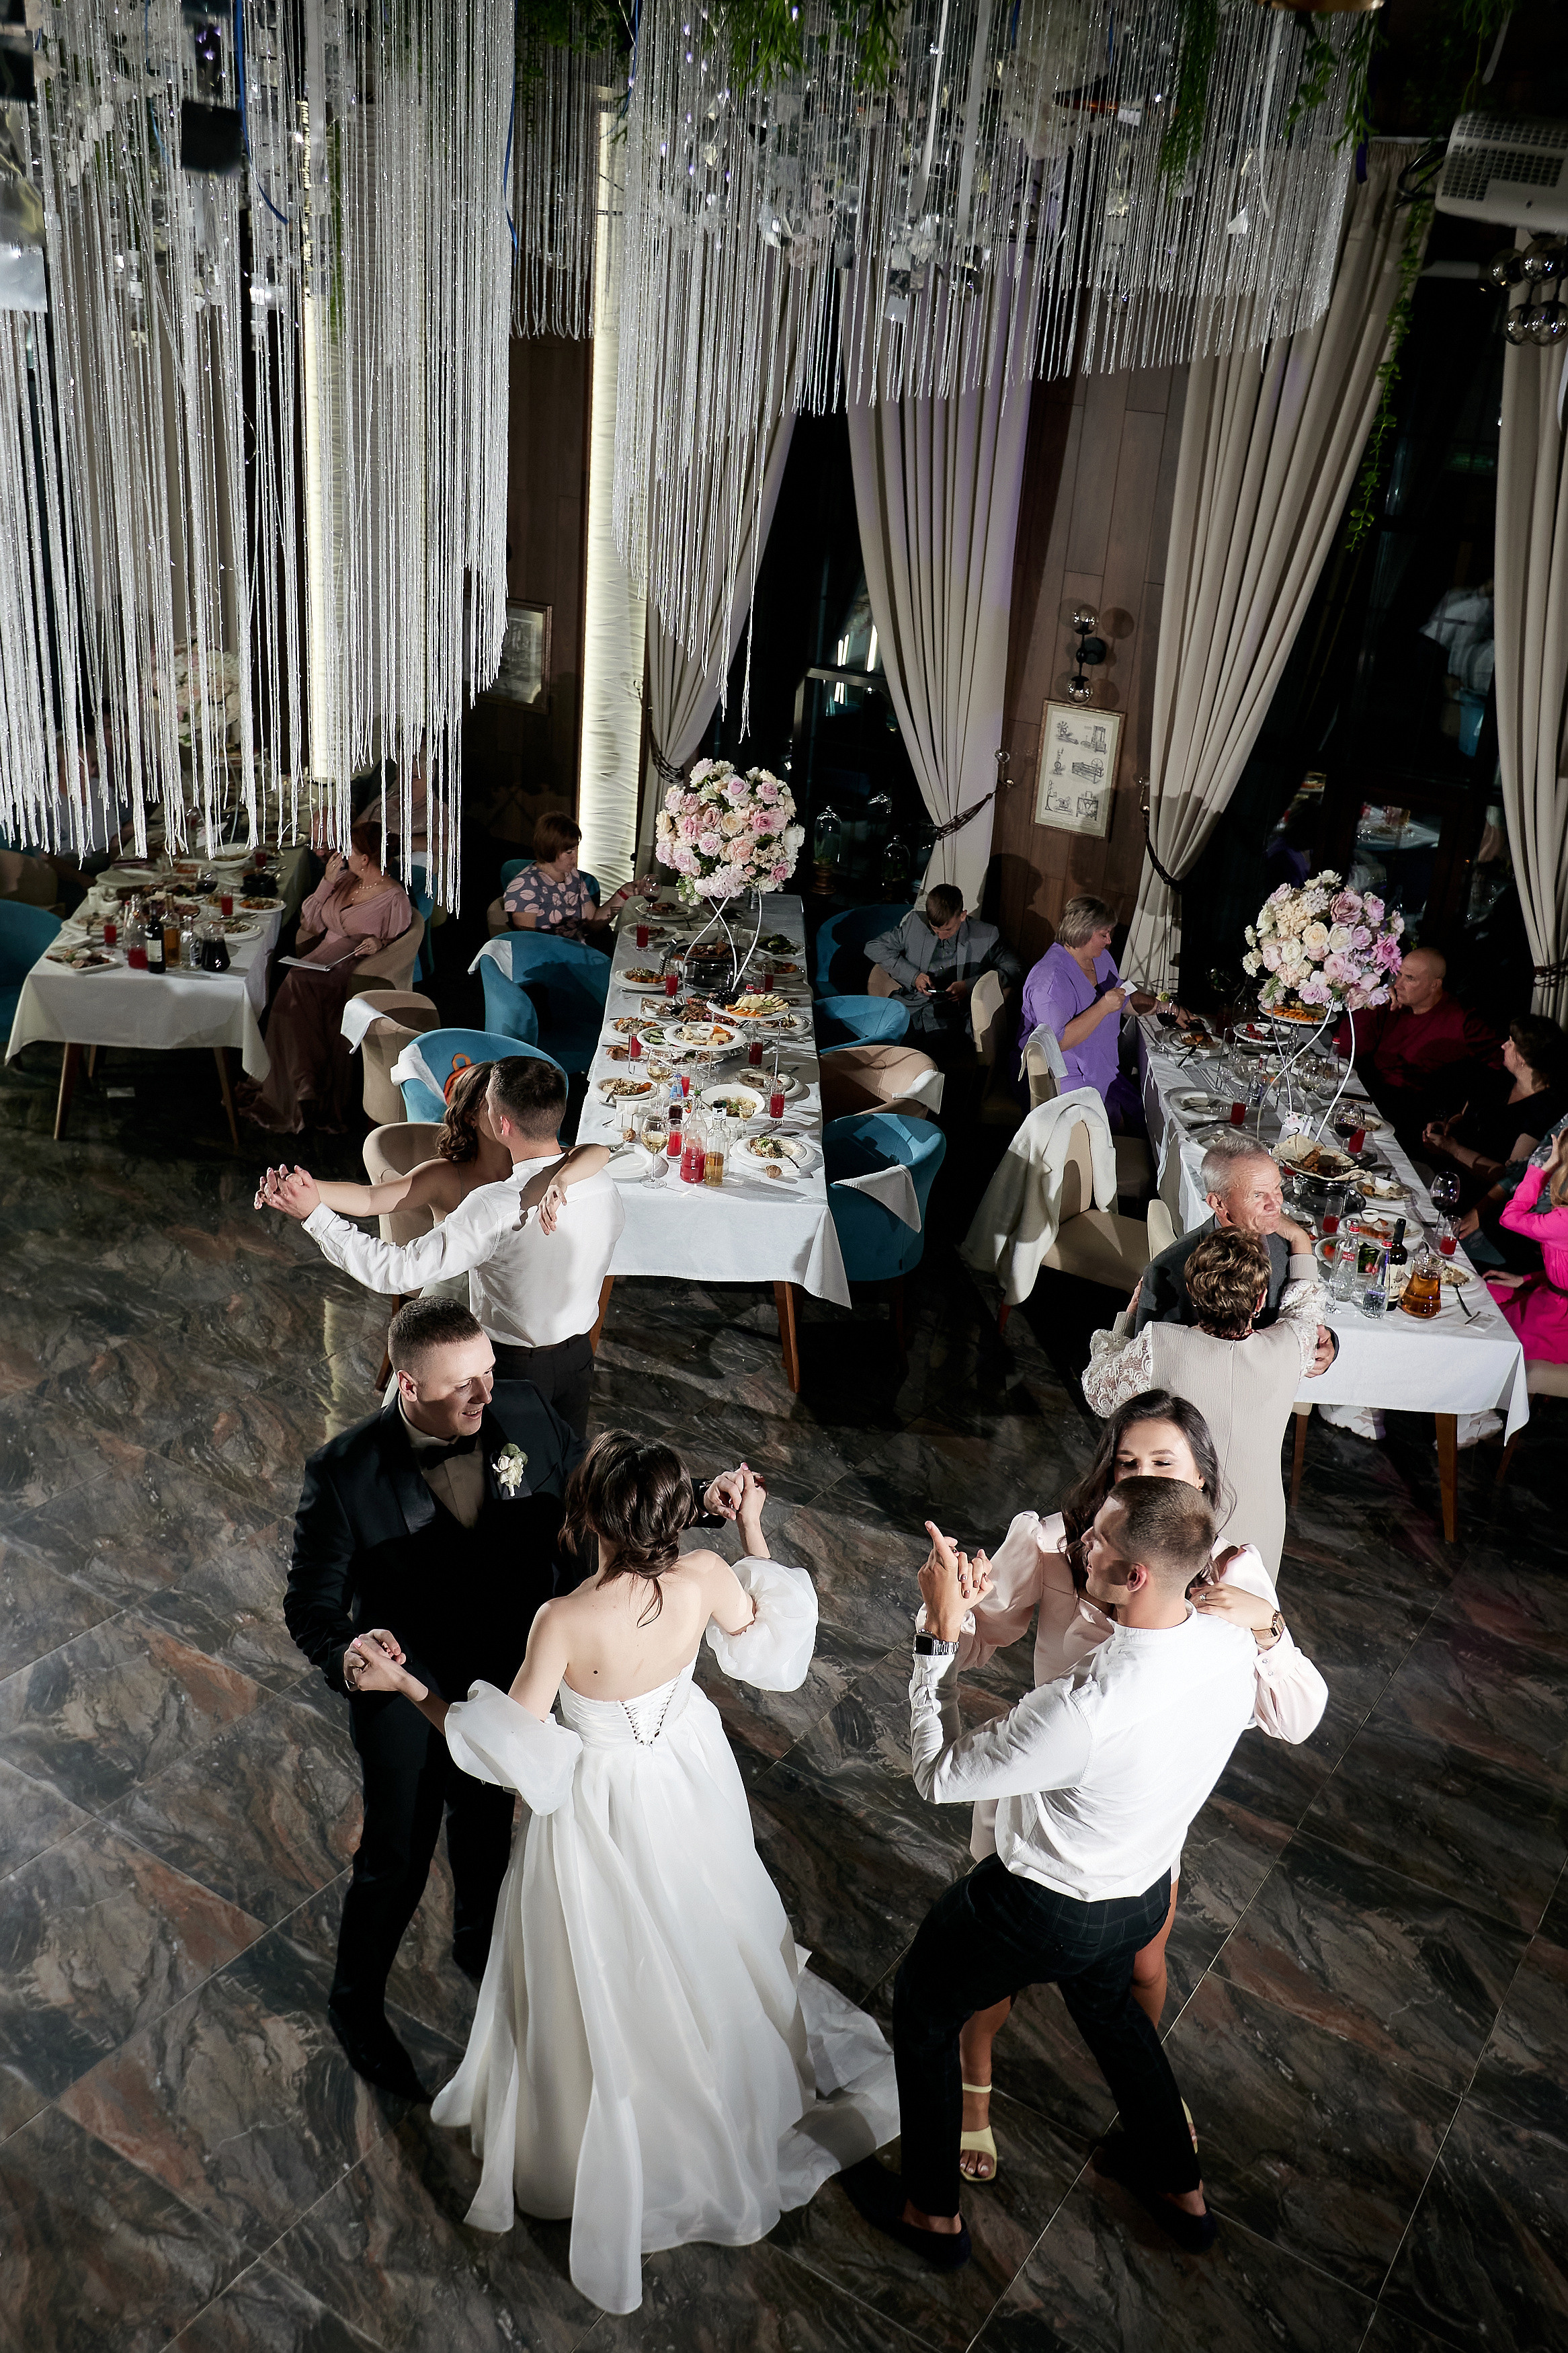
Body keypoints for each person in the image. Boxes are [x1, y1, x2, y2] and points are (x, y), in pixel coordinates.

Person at [345, 1435, 897, 2315]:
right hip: (686, 1772)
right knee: (699, 1918)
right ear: (673, 1516)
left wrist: (406, 1685)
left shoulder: (562, 1621)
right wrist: (752, 1524)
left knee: (600, 1958)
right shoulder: (708, 1576)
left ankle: (602, 2128)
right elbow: (772, 1646)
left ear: (590, 1517)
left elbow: (504, 1750)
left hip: (601, 1805)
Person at [841, 1477, 1263, 2269]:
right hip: (1140, 1893)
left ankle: (930, 2212)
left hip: (1039, 1907)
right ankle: (1179, 2187)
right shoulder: (1231, 1642)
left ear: (1135, 1574)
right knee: (1111, 2011)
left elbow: (935, 1775)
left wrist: (938, 1634)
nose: (1082, 1543)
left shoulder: (1082, 1707)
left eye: (1098, 1538)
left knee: (925, 2007)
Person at [939, 1392, 1327, 2182]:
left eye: (1165, 1463)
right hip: (1044, 1807)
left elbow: (1294, 1717)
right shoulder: (1056, 1548)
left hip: (1148, 1820)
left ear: (1200, 1477)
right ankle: (974, 2091)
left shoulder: (1225, 1573)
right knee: (989, 1975)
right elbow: (976, 1647)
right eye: (1128, 1464)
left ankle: (1135, 2088)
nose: (1146, 1477)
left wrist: (1269, 1628)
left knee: (1143, 1970)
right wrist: (956, 1612)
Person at [257, 1055, 622, 1437]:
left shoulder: (496, 1205)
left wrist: (315, 1216)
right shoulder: (602, 1182)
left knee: (507, 1485)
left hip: (515, 1369)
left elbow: (394, 1271)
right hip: (578, 1360)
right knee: (564, 1469)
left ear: (503, 1123)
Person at [1083, 1230, 1323, 1573]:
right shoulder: (1293, 1344)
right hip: (1260, 1522)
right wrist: (1300, 1241)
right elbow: (1306, 1306)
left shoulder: (1160, 1344)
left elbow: (1098, 1391)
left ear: (1195, 1297)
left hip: (1175, 1520)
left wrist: (1125, 1320)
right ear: (1259, 1302)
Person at [239, 817, 413, 1133]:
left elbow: (400, 943)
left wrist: (379, 942)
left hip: (354, 968)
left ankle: (306, 1085)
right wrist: (326, 884)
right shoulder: (346, 880)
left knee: (295, 984)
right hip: (319, 956)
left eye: (352, 850)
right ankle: (305, 1085)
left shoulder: (394, 897)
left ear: (366, 858)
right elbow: (311, 923)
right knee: (294, 986)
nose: (344, 853)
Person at [1131, 1133, 1337, 1377]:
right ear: (1218, 1203)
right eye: (1258, 1195)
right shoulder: (1169, 1268)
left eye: (1277, 1188)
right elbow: (1144, 1364)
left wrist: (1328, 1345)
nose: (1276, 1204)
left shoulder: (1287, 1246)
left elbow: (1303, 1315)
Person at [1016, 893, 1160, 1131]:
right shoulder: (1049, 978)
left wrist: (1166, 1008)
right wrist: (1103, 1006)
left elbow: (1123, 999)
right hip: (1064, 1077)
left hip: (1101, 1067)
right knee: (1121, 1126)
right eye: (1103, 935)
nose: (1109, 941)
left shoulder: (1100, 959)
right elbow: (1057, 1041)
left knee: (1145, 1115)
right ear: (1082, 932)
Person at [1335, 945, 1500, 1146]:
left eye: (1410, 979)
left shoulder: (1462, 1020)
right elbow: (1347, 1049)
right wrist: (1370, 1005)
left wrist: (1461, 1114)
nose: (1398, 984)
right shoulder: (1391, 1005)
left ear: (1434, 985)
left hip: (1414, 1115)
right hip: (1369, 1096)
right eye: (1399, 975)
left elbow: (1500, 1068)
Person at [866, 885, 1022, 1071]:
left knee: (928, 1059)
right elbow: (874, 947)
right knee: (881, 1051)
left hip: (951, 1018)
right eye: (934, 929)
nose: (940, 936)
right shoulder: (915, 923)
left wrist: (970, 986)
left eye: (947, 930)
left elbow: (1015, 969)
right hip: (910, 1008)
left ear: (962, 916)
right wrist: (913, 976)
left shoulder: (986, 935)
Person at [1422, 1014, 1568, 1211]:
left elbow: (1508, 1176)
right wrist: (1447, 1128)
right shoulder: (1499, 1080)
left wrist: (1452, 1149)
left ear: (1524, 1058)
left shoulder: (1544, 1111)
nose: (1503, 1046)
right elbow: (1464, 1116)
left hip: (1477, 1198)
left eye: (1511, 1042)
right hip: (1444, 1172)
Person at [502, 809, 655, 950]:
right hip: (550, 963)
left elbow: (593, 923)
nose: (575, 857)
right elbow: (527, 944)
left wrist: (623, 893)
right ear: (549, 849)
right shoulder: (526, 886)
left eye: (576, 849)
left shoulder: (572, 876)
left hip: (578, 953)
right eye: (569, 852)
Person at [1485, 1129, 1568, 1361]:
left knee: (1484, 1321)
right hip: (1548, 1298)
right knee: (1483, 1291)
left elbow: (1509, 1217)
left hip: (1557, 1322)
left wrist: (1545, 1169)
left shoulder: (1563, 1222)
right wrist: (1526, 1280)